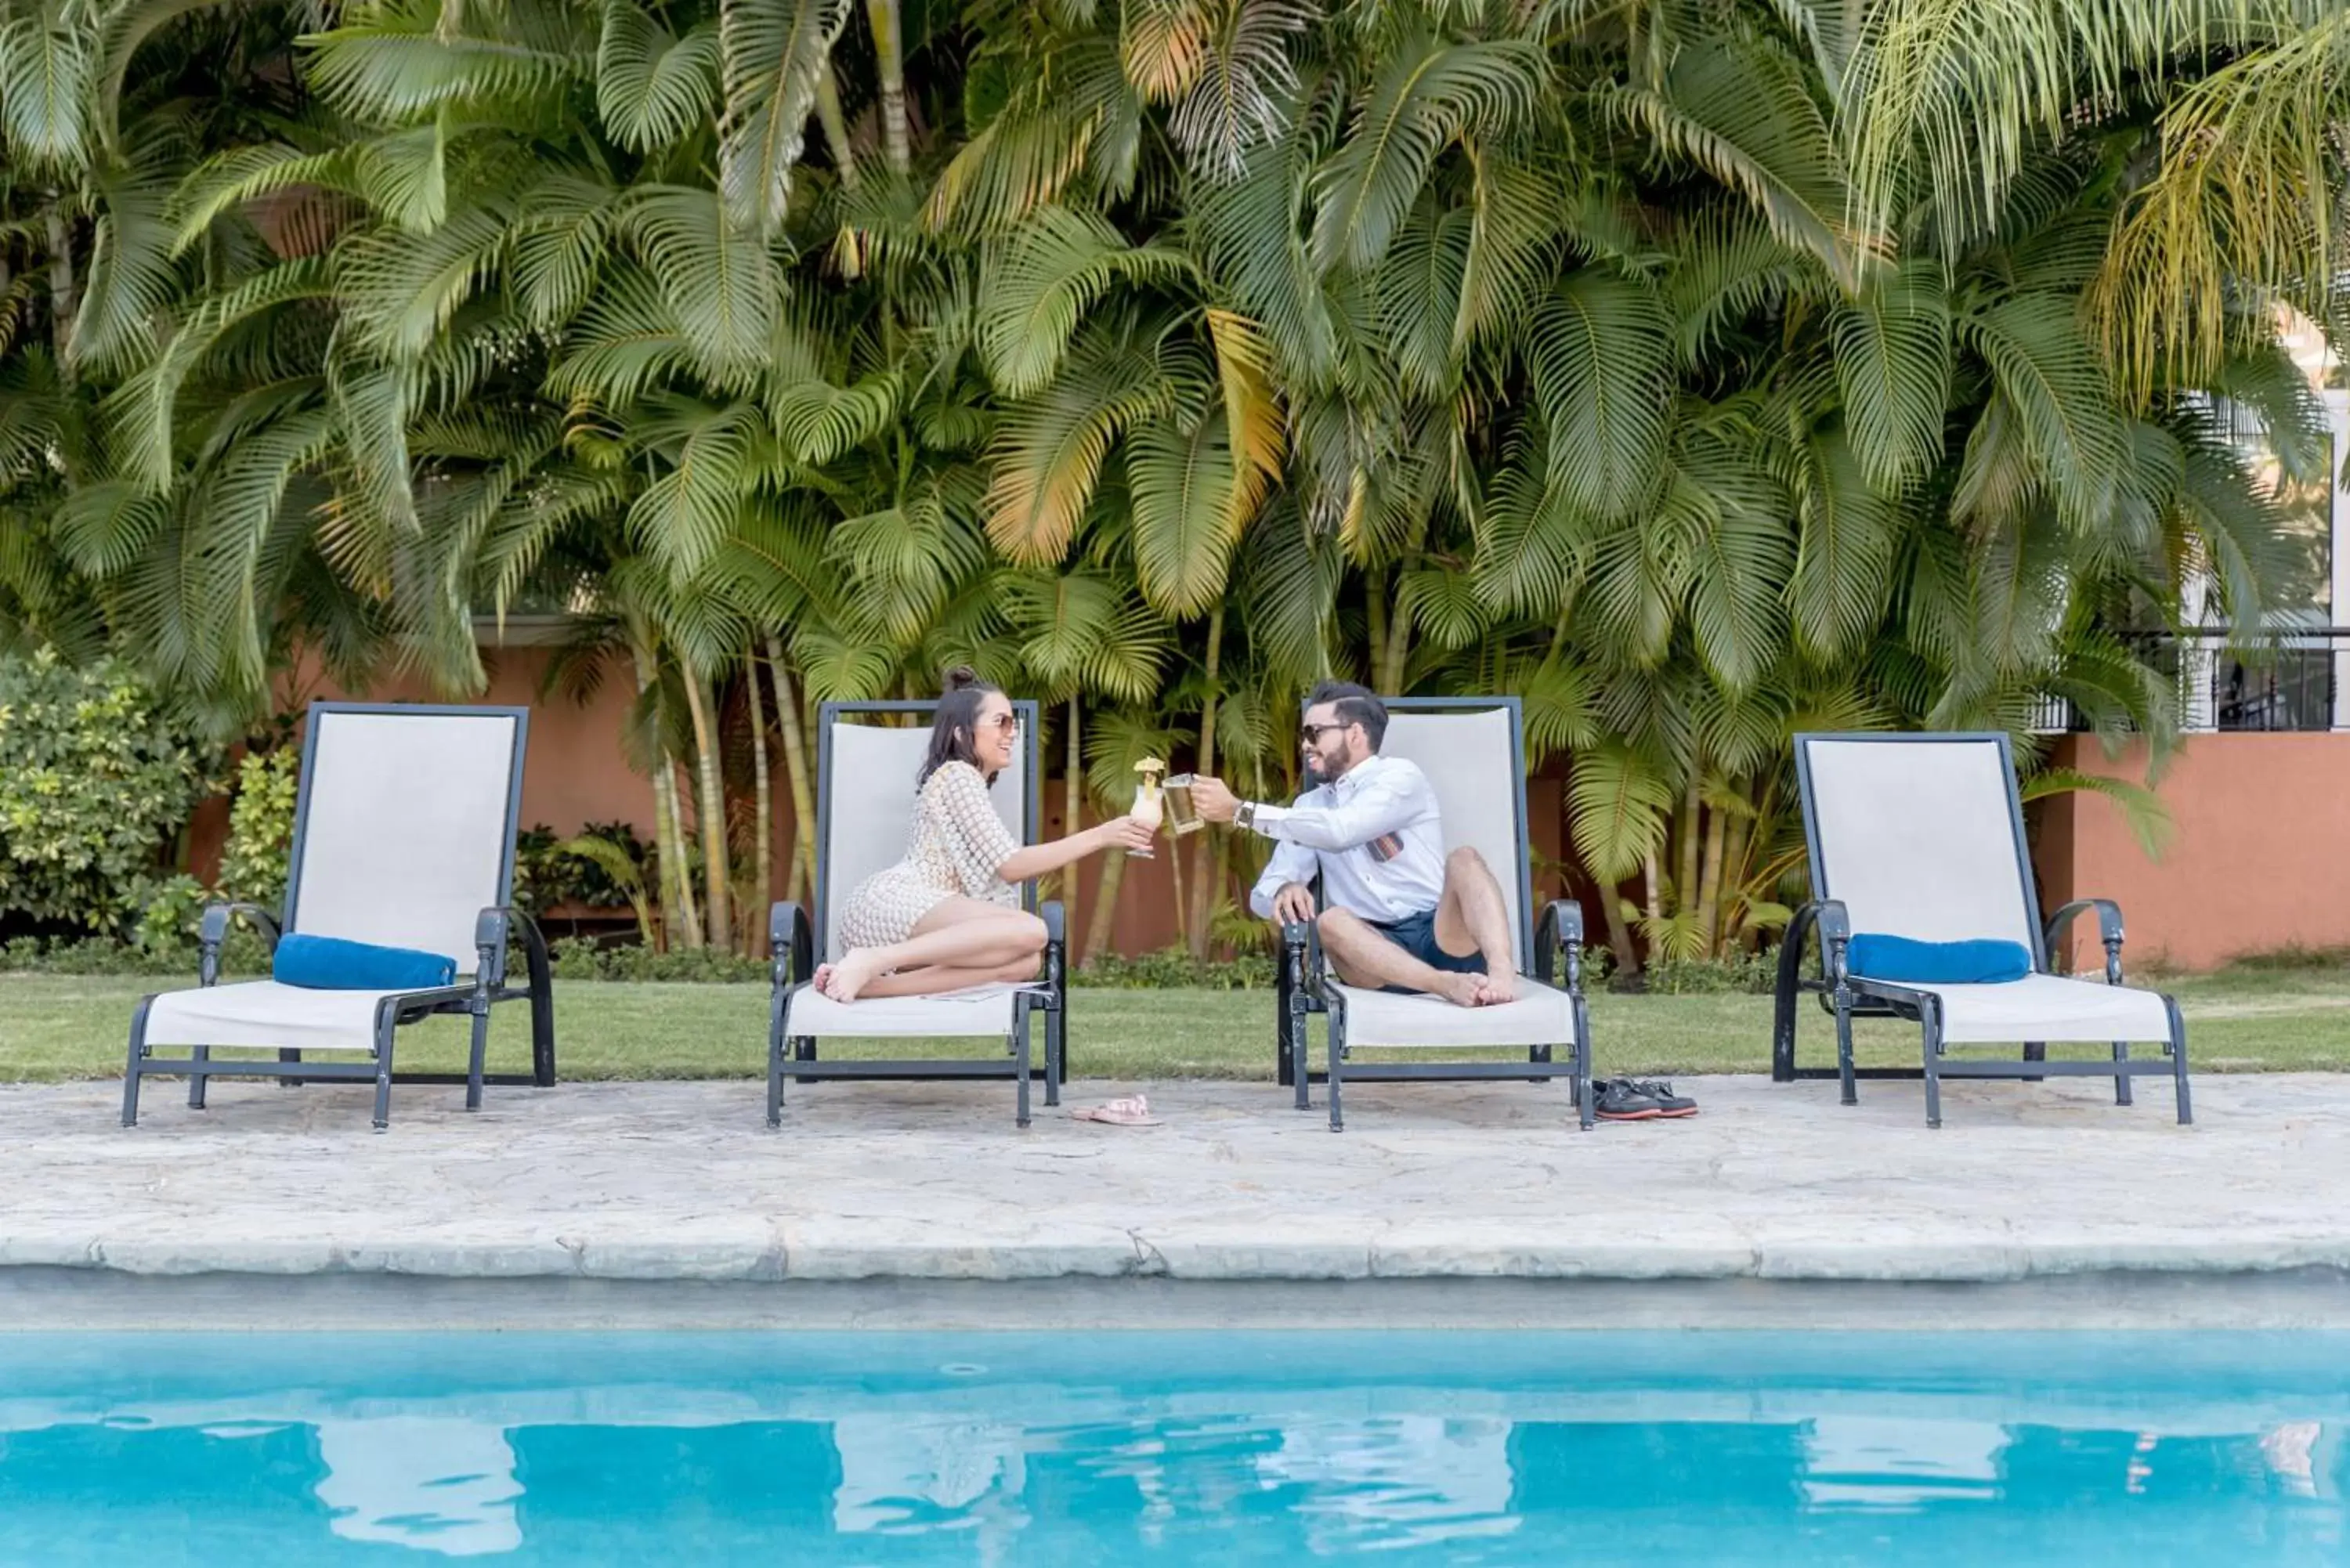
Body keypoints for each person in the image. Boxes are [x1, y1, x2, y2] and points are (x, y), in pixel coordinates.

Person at [815, 668, 1154, 1003]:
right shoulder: (957, 776)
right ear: (962, 734)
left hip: (921, 928)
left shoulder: (966, 783)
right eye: (1001, 722)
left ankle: (875, 986)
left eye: (1013, 723)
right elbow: (1011, 866)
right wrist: (1102, 835)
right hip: (890, 906)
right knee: (1032, 931)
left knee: (1025, 961)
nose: (1012, 733)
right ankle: (874, 960)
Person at [1188, 682, 1518, 1008]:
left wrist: (1239, 811)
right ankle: (1442, 984)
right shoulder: (1308, 808)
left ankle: (1502, 974)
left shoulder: (1400, 777)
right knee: (1330, 921)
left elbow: (1342, 830)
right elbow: (1262, 895)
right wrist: (1284, 888)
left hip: (1441, 934)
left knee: (1465, 859)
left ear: (1355, 734)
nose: (1305, 745)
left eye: (1314, 733)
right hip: (1372, 957)